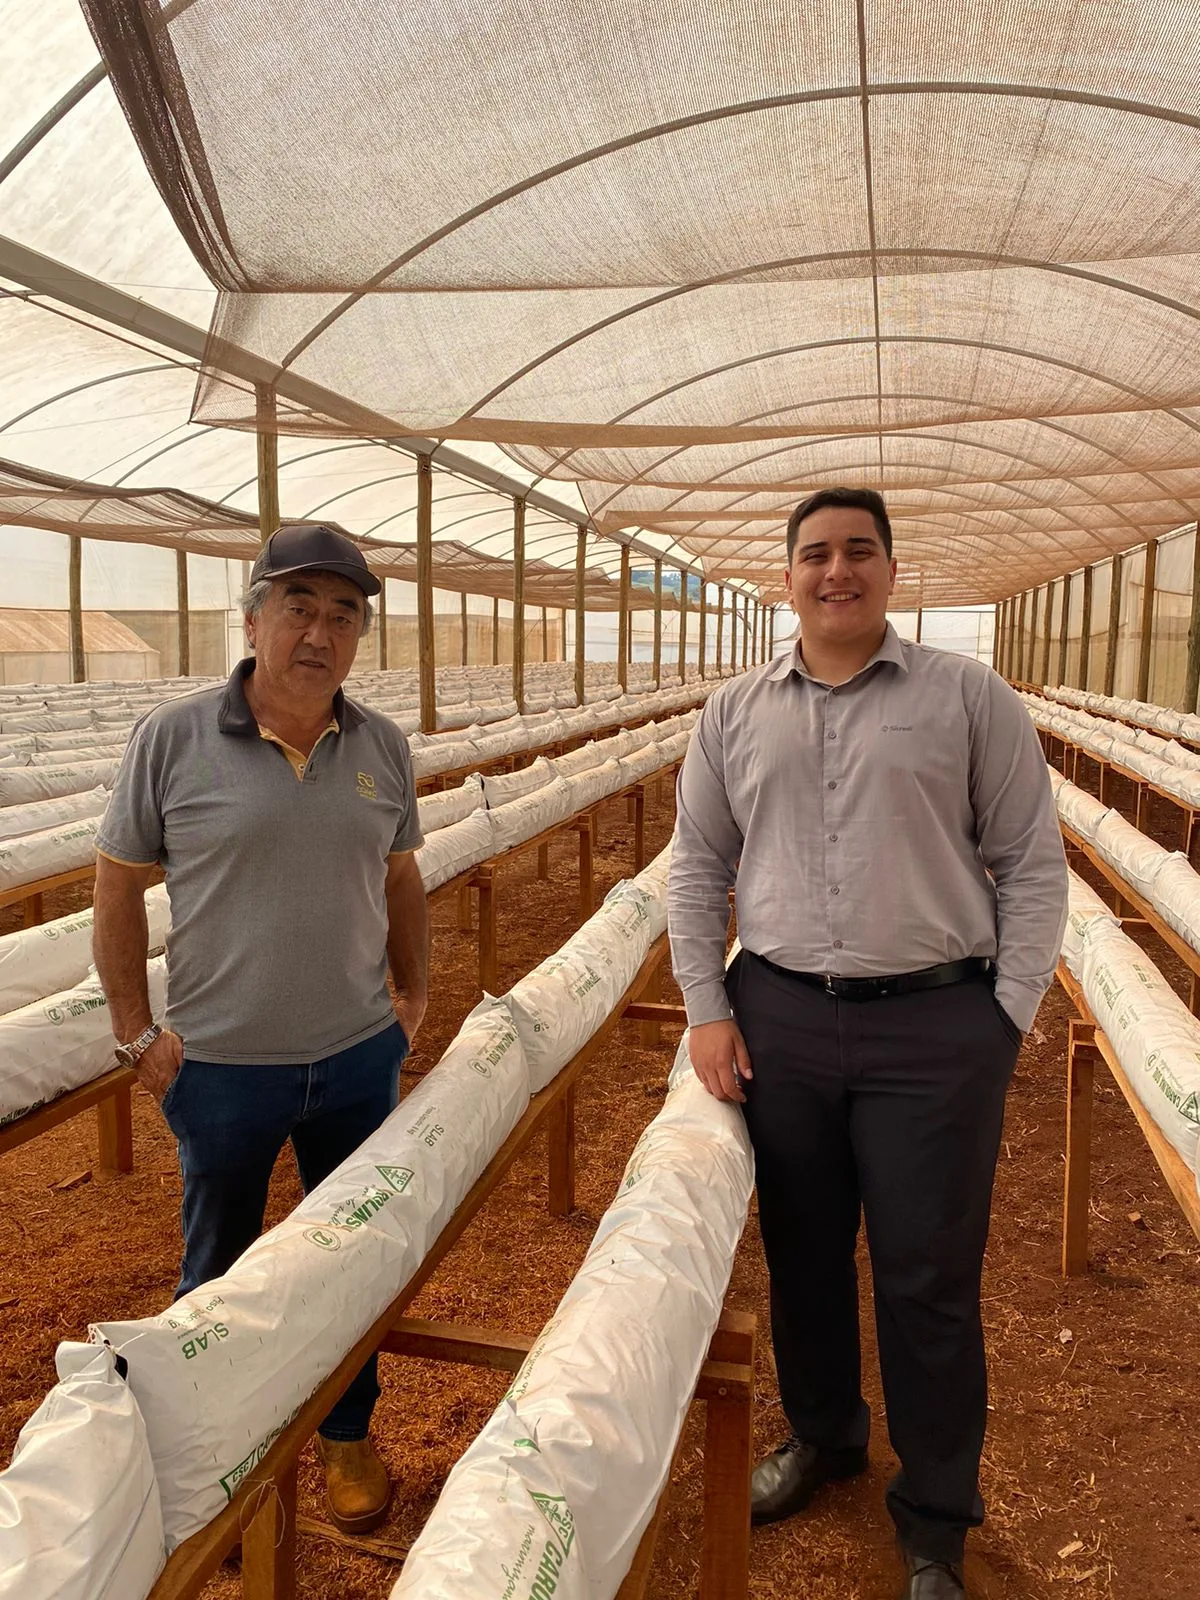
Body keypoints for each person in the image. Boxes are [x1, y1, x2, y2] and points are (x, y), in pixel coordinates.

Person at [667, 488, 1067, 1599]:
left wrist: (1005, 1013)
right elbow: (698, 866)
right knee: (800, 1252)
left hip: (939, 1022)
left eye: (857, 552)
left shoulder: (966, 698)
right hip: (782, 1014)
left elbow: (1032, 862)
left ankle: (936, 1515)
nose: (834, 571)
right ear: (785, 577)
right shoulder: (735, 711)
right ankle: (828, 1435)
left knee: (928, 1276)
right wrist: (707, 1002)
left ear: (892, 571)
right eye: (813, 555)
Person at [93, 523, 428, 1537]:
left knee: (354, 1256)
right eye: (299, 607)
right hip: (222, 1067)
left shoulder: (381, 746)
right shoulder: (174, 738)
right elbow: (116, 886)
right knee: (219, 1275)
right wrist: (134, 1034)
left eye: (343, 614)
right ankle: (219, 1465)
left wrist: (412, 1002)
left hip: (358, 1057)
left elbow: (402, 874)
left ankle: (346, 1433)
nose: (320, 632)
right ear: (252, 620)